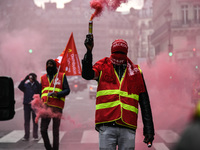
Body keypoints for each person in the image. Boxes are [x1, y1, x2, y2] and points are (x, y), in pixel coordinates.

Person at [82, 34, 155, 150]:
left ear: (126, 53)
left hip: (128, 125)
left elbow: (144, 101)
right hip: (106, 124)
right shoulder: (102, 66)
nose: (119, 57)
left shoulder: (136, 72)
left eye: (121, 53)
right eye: (117, 53)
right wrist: (89, 52)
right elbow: (87, 74)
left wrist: (149, 129)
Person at [40, 59, 70, 150]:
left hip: (57, 107)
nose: (49, 66)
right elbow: (41, 92)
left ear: (55, 66)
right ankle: (49, 148)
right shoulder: (43, 78)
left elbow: (67, 90)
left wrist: (57, 94)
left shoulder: (61, 76)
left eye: (51, 64)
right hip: (45, 107)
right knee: (43, 130)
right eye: (48, 64)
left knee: (55, 131)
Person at [18, 73, 40, 141]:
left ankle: (35, 136)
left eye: (32, 77)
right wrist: (25, 79)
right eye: (30, 77)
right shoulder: (26, 85)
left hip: (35, 105)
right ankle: (26, 136)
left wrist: (35, 80)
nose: (31, 79)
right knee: (26, 121)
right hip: (27, 104)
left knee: (35, 121)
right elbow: (20, 86)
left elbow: (40, 88)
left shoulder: (37, 85)